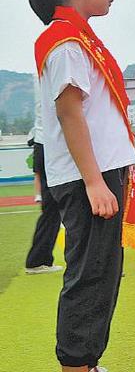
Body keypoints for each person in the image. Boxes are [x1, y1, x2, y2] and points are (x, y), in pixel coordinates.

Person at [29, 0, 135, 372]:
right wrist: (95, 181)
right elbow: (70, 114)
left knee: (104, 274)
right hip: (86, 178)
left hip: (99, 173)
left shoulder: (78, 39)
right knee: (89, 276)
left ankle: (88, 369)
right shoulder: (65, 41)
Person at [25, 82, 63, 275]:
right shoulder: (47, 73)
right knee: (53, 209)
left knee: (52, 209)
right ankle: (38, 260)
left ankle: (39, 259)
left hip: (44, 145)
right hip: (49, 145)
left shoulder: (41, 76)